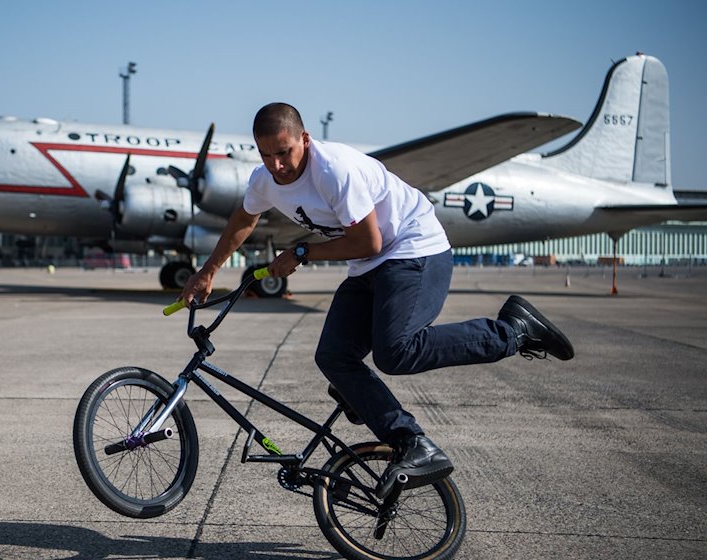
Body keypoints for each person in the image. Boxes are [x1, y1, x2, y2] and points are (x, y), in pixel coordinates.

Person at [180, 102, 574, 496]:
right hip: (367, 265)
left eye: (284, 152)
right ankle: (411, 442)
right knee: (334, 357)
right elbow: (244, 219)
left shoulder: (334, 171)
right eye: (266, 155)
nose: (277, 165)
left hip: (414, 248)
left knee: (396, 352)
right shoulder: (264, 179)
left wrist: (302, 253)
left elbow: (371, 241)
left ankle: (514, 331)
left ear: (304, 139)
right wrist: (209, 271)